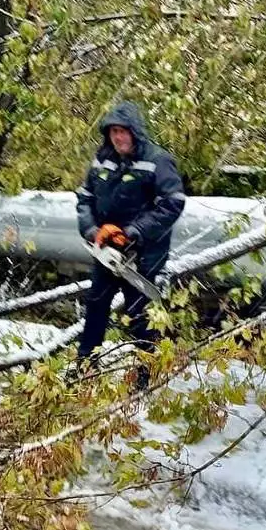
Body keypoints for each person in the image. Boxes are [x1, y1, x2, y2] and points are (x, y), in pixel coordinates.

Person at [71, 101, 187, 387]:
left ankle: (145, 376)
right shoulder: (103, 159)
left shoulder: (157, 160)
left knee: (139, 314)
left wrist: (134, 231)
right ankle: (85, 367)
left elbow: (172, 204)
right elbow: (85, 197)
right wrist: (92, 230)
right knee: (96, 305)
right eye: (113, 132)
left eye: (123, 131)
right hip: (106, 250)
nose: (118, 137)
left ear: (135, 132)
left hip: (142, 253)